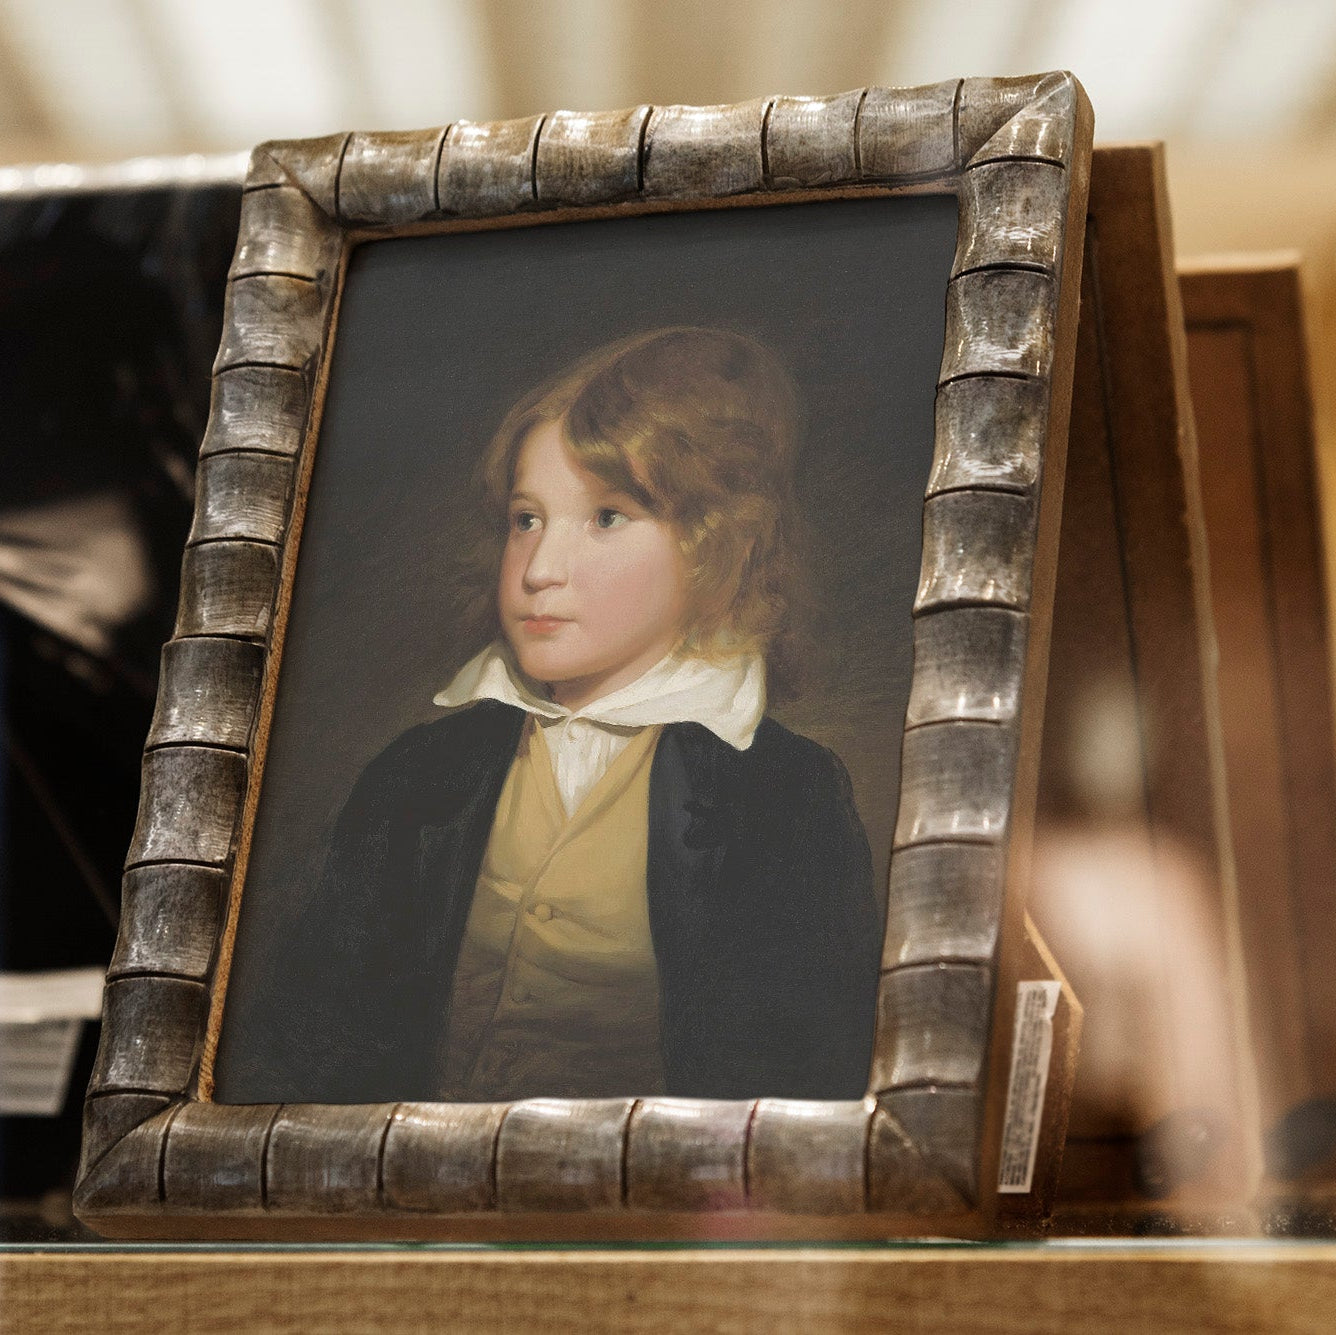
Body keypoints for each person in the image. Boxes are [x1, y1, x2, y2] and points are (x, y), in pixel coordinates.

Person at [264, 327, 880, 1104]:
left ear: (711, 543)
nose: (540, 570)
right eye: (527, 519)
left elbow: (805, 1079)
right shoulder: (419, 772)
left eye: (606, 517)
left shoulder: (782, 793)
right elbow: (312, 1035)